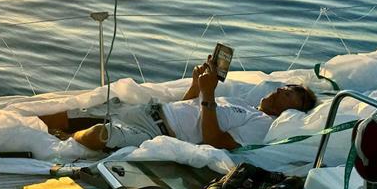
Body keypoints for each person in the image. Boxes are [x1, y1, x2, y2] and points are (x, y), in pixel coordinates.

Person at [38, 56, 316, 152]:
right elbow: (188, 108)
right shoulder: (240, 104)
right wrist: (197, 86)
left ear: (290, 110)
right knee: (69, 113)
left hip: (156, 132)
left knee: (101, 134)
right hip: (151, 110)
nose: (281, 88)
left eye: (290, 93)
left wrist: (208, 96)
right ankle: (45, 128)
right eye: (285, 86)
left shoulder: (261, 125)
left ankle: (67, 137)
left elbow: (214, 142)